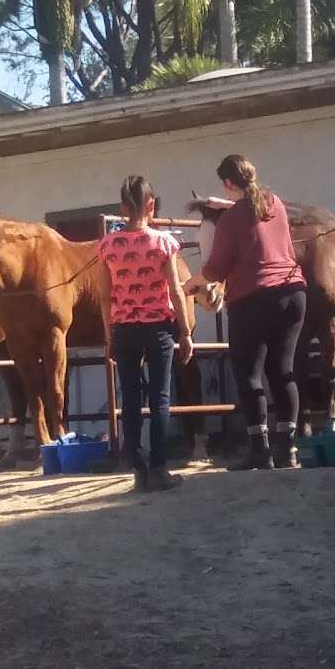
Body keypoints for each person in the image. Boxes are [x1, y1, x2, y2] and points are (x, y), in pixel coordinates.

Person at [187, 153, 307, 471]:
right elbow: (250, 209)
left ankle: (259, 450)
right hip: (293, 292)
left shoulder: (230, 221)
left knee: (249, 373)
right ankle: (289, 449)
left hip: (253, 297)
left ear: (228, 183)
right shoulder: (275, 202)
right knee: (283, 371)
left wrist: (190, 283)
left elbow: (214, 271)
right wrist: (223, 203)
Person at [97, 174, 194, 492]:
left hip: (124, 329)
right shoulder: (165, 242)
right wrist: (185, 331)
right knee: (159, 398)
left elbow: (104, 295)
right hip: (158, 329)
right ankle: (159, 467)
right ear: (151, 205)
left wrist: (109, 334)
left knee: (130, 399)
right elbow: (177, 291)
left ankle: (138, 468)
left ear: (123, 207)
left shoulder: (108, 246)